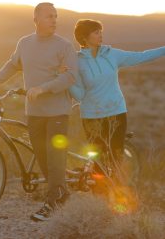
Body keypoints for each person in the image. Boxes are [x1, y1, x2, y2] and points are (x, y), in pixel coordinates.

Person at [0, 2, 78, 221]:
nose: (54, 20)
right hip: (34, 112)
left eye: (55, 16)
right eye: (49, 16)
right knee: (42, 157)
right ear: (36, 19)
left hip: (58, 111)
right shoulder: (25, 43)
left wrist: (43, 88)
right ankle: (62, 194)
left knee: (55, 157)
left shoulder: (64, 45)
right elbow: (13, 64)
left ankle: (52, 203)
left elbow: (70, 77)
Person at [66, 19, 165, 176]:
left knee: (116, 157)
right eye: (96, 32)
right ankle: (99, 196)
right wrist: (66, 78)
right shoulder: (77, 61)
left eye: (101, 31)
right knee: (98, 160)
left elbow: (141, 56)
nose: (101, 35)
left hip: (116, 113)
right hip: (92, 117)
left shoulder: (111, 54)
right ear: (84, 37)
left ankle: (116, 193)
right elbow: (79, 95)